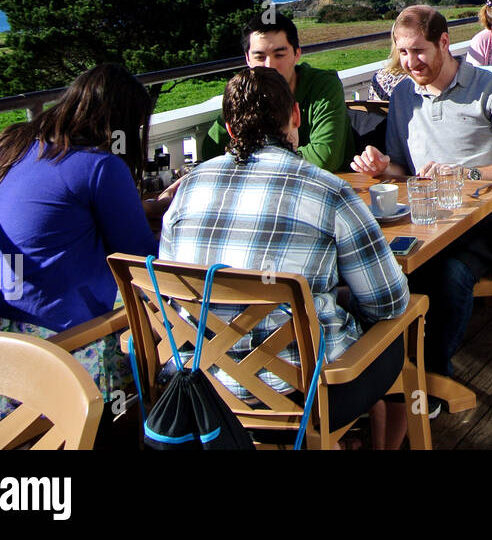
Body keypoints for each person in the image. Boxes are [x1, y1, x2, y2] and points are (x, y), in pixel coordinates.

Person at [161, 67, 411, 449]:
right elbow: (389, 303)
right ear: (295, 116)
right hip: (308, 395)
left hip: (204, 390)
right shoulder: (328, 190)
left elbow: (175, 293)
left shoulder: (187, 188)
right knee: (401, 331)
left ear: (229, 130)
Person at [351, 6, 492, 394]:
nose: (410, 62)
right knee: (366, 265)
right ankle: (385, 381)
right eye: (402, 53)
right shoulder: (404, 94)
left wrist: (466, 174)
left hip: (487, 217)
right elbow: (405, 171)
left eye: (419, 51)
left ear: (444, 42)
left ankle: (429, 381)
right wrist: (382, 167)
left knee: (447, 274)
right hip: (426, 214)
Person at [0, 63, 174, 403]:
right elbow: (140, 262)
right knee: (163, 347)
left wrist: (138, 210)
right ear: (119, 124)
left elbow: (51, 219)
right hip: (62, 344)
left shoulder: (11, 145)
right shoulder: (99, 166)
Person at [200, 12, 354, 172]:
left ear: (297, 54)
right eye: (259, 57)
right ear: (247, 59)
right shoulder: (246, 91)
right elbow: (211, 152)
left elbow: (324, 158)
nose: (269, 65)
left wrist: (251, 159)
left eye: (279, 55)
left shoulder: (322, 86)